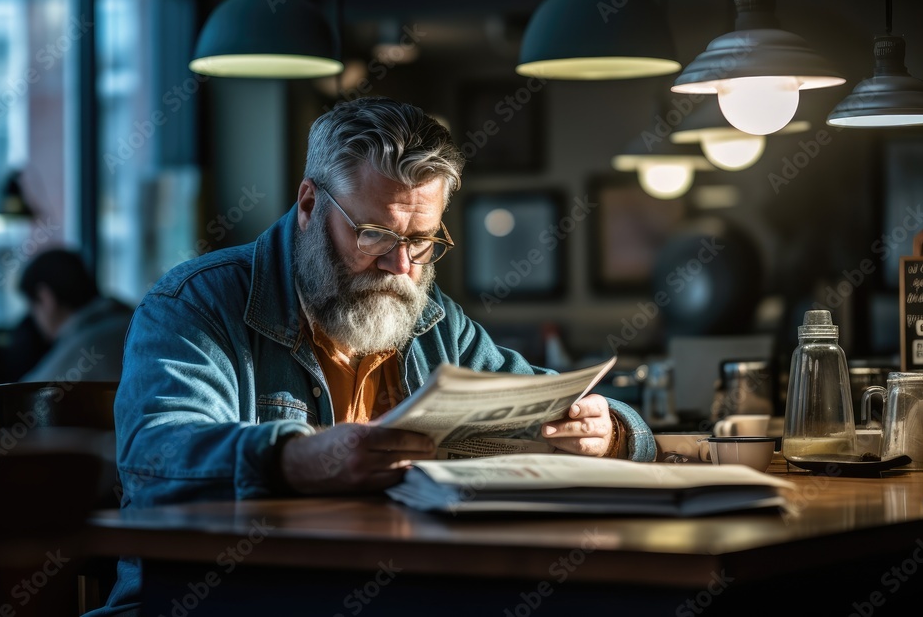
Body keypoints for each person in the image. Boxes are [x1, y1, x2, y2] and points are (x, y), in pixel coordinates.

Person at [90, 96, 656, 616]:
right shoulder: (196, 302)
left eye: (421, 240)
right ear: (309, 203)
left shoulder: (433, 318)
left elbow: (549, 401)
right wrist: (295, 460)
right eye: (373, 234)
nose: (402, 268)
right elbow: (153, 461)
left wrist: (610, 433)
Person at [17, 248, 133, 383]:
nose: (34, 319)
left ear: (46, 298)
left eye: (33, 308)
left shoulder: (84, 347)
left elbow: (27, 397)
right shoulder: (132, 322)